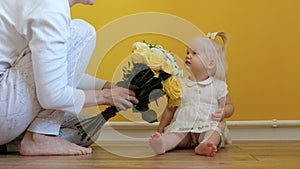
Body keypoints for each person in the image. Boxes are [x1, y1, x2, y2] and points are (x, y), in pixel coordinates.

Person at [0, 0, 138, 156]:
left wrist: (107, 86)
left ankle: (13, 145)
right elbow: (51, 96)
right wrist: (105, 97)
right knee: (81, 32)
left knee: (85, 127)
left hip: (6, 106)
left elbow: (49, 73)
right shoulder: (52, 8)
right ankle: (40, 138)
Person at [148, 32, 234, 157]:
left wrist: (224, 112)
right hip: (184, 128)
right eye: (187, 52)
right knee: (175, 135)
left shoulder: (217, 85)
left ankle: (206, 144)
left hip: (207, 124)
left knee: (214, 131)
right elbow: (170, 109)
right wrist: (160, 131)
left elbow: (229, 105)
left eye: (194, 53)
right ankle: (163, 143)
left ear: (211, 63)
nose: (188, 56)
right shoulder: (180, 84)